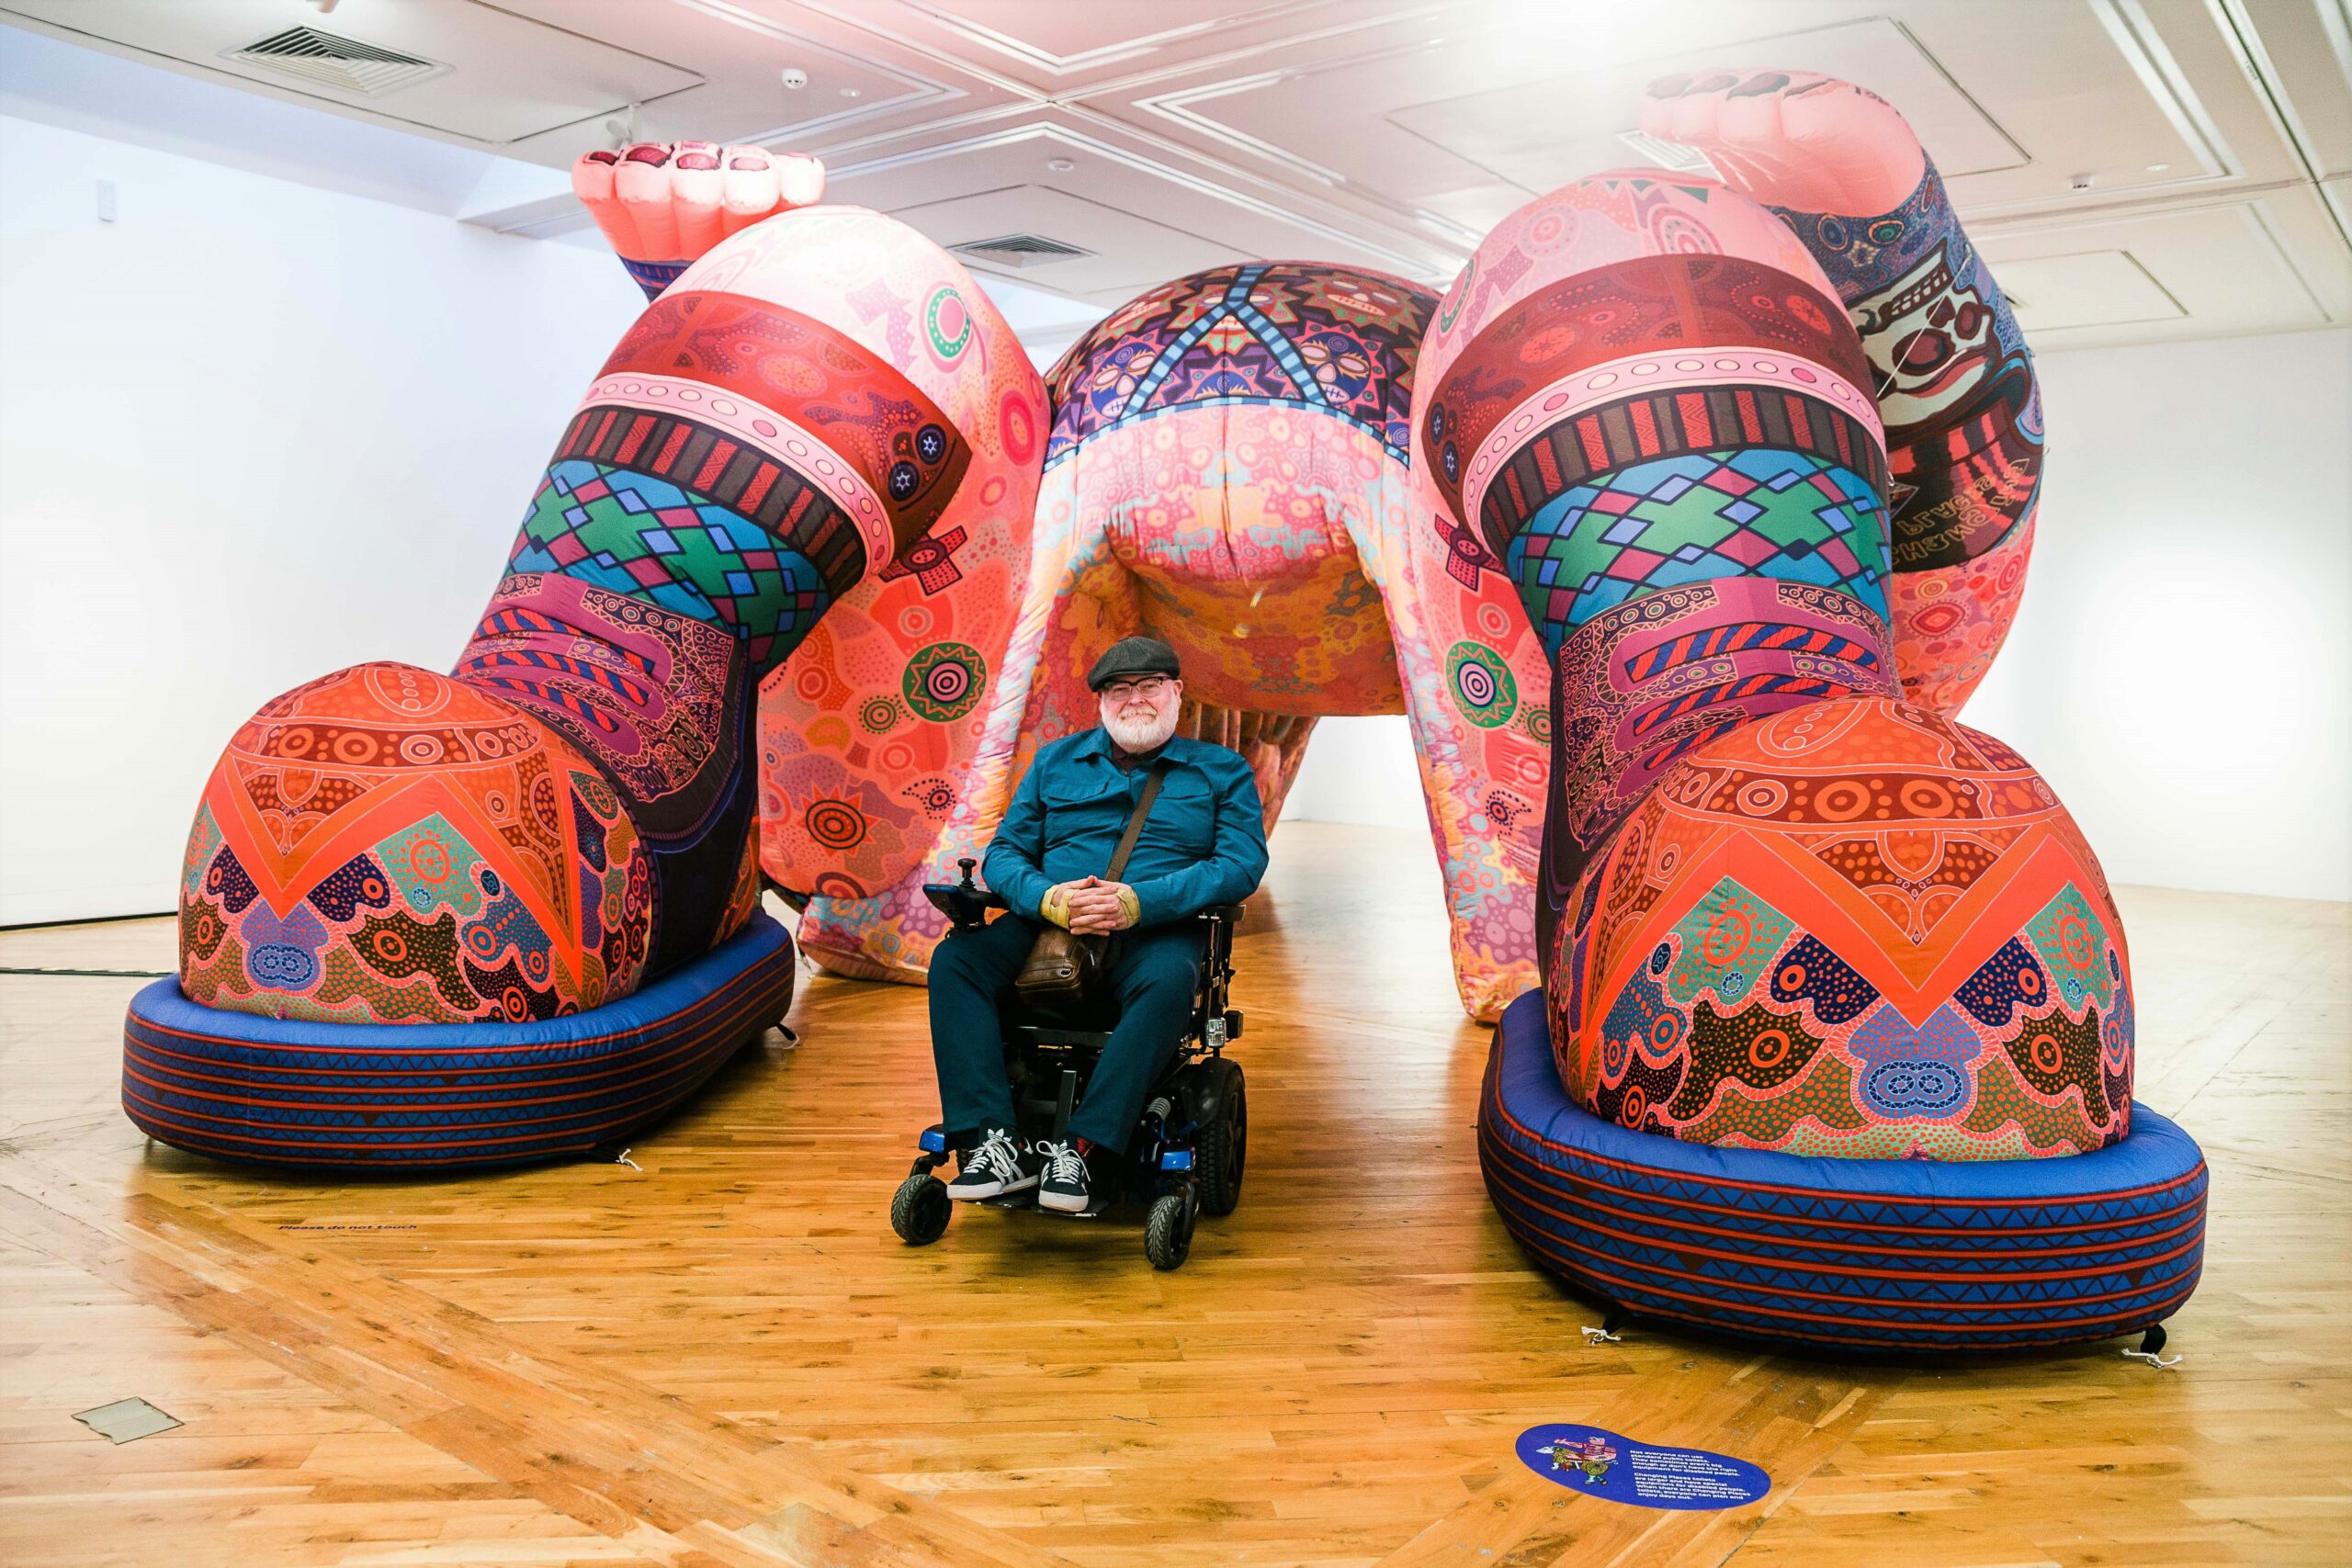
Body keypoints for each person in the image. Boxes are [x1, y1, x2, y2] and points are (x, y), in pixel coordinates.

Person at [929, 635, 1269, 1213]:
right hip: (1050, 929)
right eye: (1119, 689)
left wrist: (1139, 902)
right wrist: (1051, 899)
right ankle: (992, 1140)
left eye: (1148, 686)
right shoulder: (1055, 761)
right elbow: (1006, 853)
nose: (1134, 698)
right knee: (956, 961)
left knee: (1167, 984)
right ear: (1102, 701)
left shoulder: (1221, 772)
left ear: (1176, 692)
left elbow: (1241, 864)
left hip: (1155, 931)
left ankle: (1081, 1147)